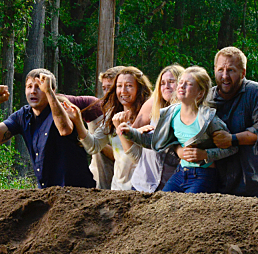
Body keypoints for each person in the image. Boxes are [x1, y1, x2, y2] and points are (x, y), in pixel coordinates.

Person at [118, 66, 236, 194]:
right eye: (180, 82)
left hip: (203, 174)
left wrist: (206, 154)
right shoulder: (171, 114)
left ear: (200, 93)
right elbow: (157, 141)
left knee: (188, 210)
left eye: (188, 84)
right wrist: (131, 133)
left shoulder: (209, 119)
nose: (182, 86)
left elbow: (232, 148)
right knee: (164, 205)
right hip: (180, 173)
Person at [0, 69, 101, 188]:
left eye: (39, 87)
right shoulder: (23, 116)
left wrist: (48, 92)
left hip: (78, 191)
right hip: (47, 192)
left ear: (52, 90)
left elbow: (65, 129)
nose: (33, 91)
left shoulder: (64, 107)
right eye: (29, 87)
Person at [209, 47, 258, 198]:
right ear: (214, 70)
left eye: (231, 70)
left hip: (251, 188)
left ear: (243, 73)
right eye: (221, 69)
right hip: (213, 189)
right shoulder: (206, 97)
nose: (225, 76)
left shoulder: (255, 92)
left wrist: (233, 139)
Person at [76, 67, 152, 190]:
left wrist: (121, 130)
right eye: (119, 86)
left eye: (129, 86)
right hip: (117, 188)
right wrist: (77, 121)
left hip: (142, 188)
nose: (123, 91)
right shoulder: (112, 115)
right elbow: (93, 146)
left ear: (139, 89)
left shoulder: (149, 116)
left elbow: (138, 159)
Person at [124, 64, 185, 192]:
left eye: (171, 82)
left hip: (169, 187)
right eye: (162, 83)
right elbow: (133, 137)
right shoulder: (153, 107)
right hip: (142, 183)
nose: (166, 86)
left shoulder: (189, 115)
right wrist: (137, 133)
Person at [89, 66, 125, 189]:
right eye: (104, 88)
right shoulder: (108, 112)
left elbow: (121, 156)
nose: (106, 93)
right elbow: (94, 145)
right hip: (102, 181)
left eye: (110, 88)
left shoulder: (140, 113)